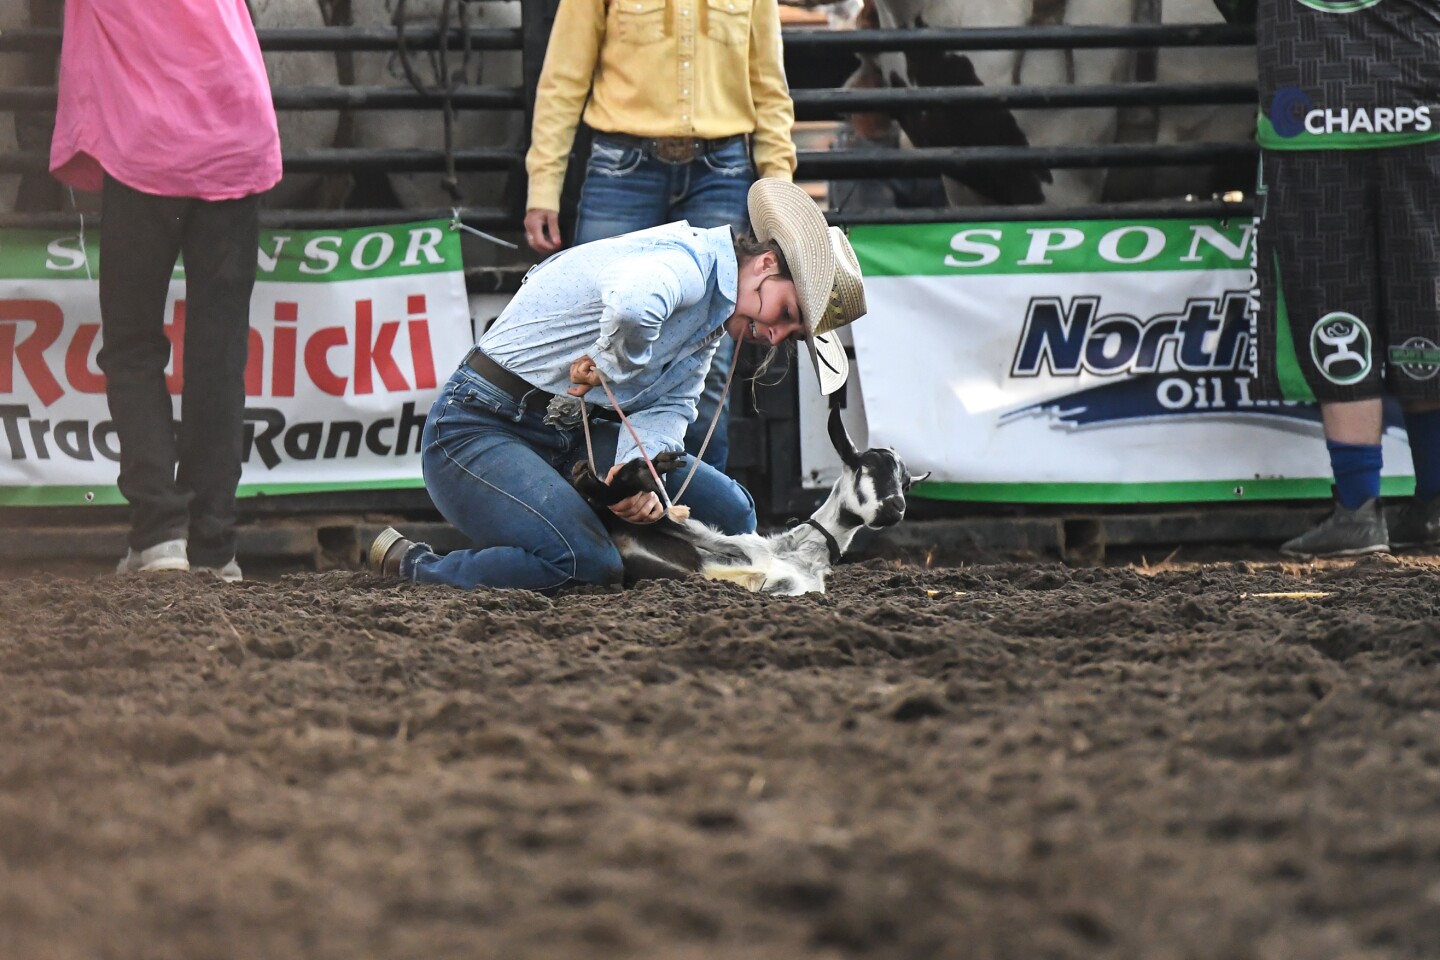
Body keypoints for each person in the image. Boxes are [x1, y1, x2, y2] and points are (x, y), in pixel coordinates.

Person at [368, 178, 863, 592]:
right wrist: (610, 362)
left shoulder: (710, 322)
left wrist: (636, 472)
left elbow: (670, 410)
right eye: (786, 314)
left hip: (567, 436)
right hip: (477, 426)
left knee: (733, 515)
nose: (774, 335)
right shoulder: (687, 262)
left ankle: (590, 545)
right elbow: (632, 306)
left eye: (790, 334)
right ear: (767, 265)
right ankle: (420, 566)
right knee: (582, 563)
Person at [49, 0, 282, 582]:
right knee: (219, 352)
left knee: (132, 345)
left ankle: (158, 535)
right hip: (235, 133)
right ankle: (212, 546)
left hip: (146, 146)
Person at [521, 0, 798, 474]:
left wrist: (781, 201)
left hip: (710, 166)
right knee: (593, 343)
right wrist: (542, 183)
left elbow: (770, 89)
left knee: (708, 364)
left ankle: (696, 520)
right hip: (631, 163)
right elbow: (563, 78)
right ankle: (585, 507)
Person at [1217, 0, 1440, 558]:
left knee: (1335, 308)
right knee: (1427, 305)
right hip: (1421, 108)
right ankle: (1434, 504)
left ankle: (1360, 510)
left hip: (1312, 117)